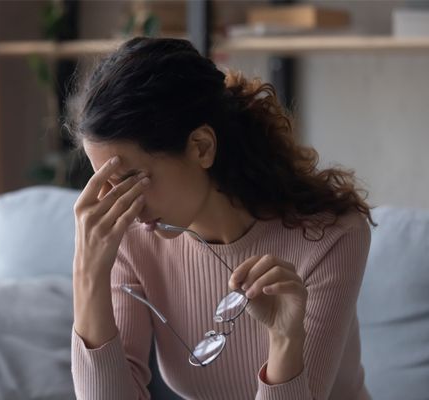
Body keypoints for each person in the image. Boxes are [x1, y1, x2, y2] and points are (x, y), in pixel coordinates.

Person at [63, 36, 376, 400]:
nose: (124, 205)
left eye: (131, 179)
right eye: (106, 183)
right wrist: (88, 274)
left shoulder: (331, 237)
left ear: (201, 147)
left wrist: (285, 340)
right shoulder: (131, 235)